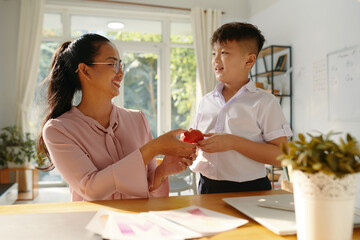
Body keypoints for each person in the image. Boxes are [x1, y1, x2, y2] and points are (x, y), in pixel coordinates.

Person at [37, 33, 196, 201]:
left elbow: (152, 192)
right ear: (85, 70)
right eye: (112, 64)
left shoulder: (138, 119)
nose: (120, 73)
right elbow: (90, 189)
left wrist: (163, 171)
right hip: (93, 224)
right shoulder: (59, 130)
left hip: (139, 224)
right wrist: (152, 149)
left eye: (121, 65)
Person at [190, 22, 293, 194]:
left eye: (223, 53)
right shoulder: (206, 101)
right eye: (214, 53)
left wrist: (233, 142)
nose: (215, 60)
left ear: (249, 60)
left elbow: (281, 157)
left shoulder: (265, 102)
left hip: (250, 190)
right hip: (207, 187)